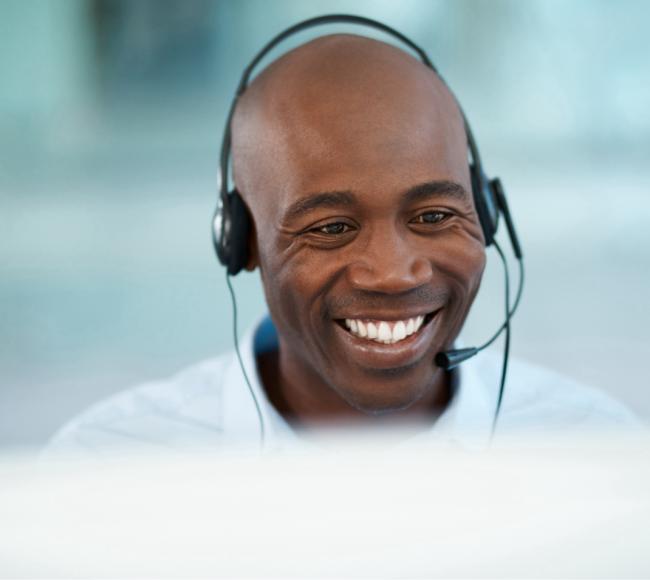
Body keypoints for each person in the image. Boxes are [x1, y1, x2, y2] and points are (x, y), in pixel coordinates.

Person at [46, 21, 639, 456]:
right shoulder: (105, 465)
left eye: (433, 216)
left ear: (486, 214)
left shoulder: (601, 453)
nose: (393, 272)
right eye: (331, 227)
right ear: (241, 241)